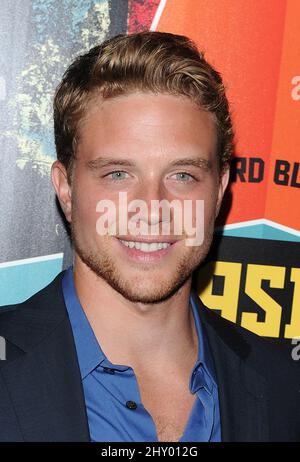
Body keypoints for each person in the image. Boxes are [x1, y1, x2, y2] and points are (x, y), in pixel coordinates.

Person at [0, 31, 299, 443]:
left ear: (218, 191)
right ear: (67, 189)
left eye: (182, 175)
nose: (152, 208)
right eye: (118, 174)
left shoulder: (284, 387)